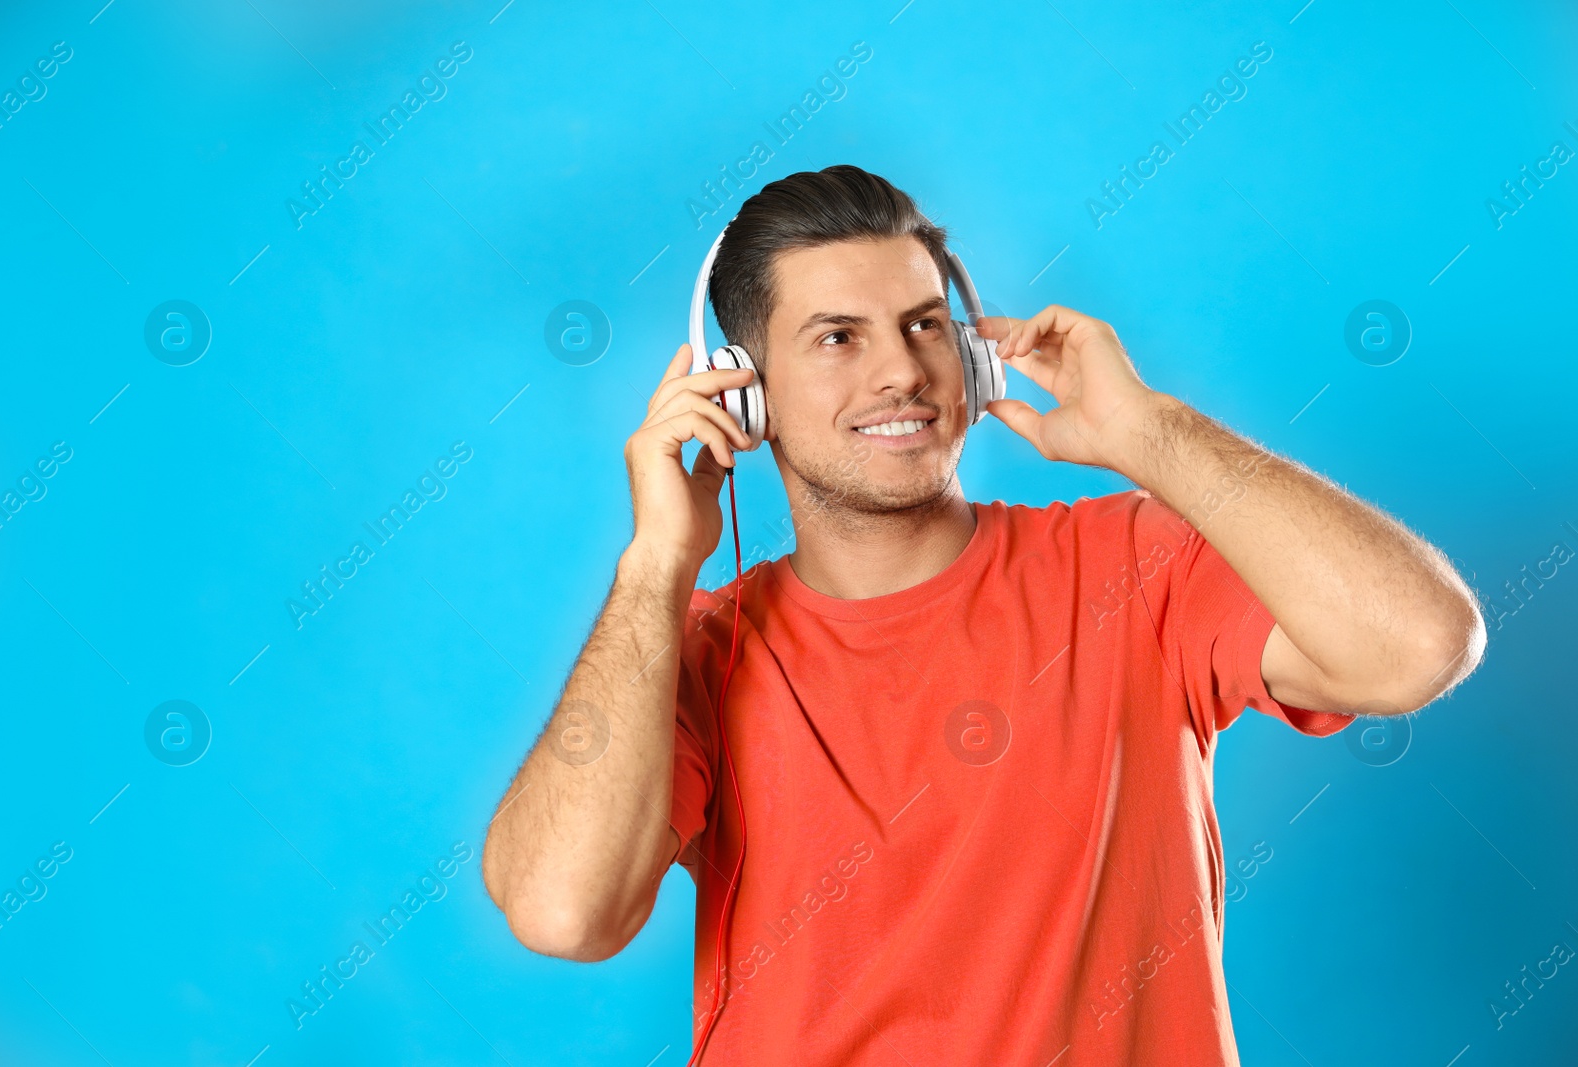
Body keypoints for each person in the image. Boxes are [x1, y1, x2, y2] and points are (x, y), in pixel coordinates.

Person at [480, 165, 1485, 1065]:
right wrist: (656, 565)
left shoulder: (1134, 560)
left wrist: (1152, 433)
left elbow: (1419, 645)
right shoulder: (695, 646)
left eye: (924, 325)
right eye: (838, 337)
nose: (902, 372)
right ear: (743, 394)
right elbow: (563, 911)